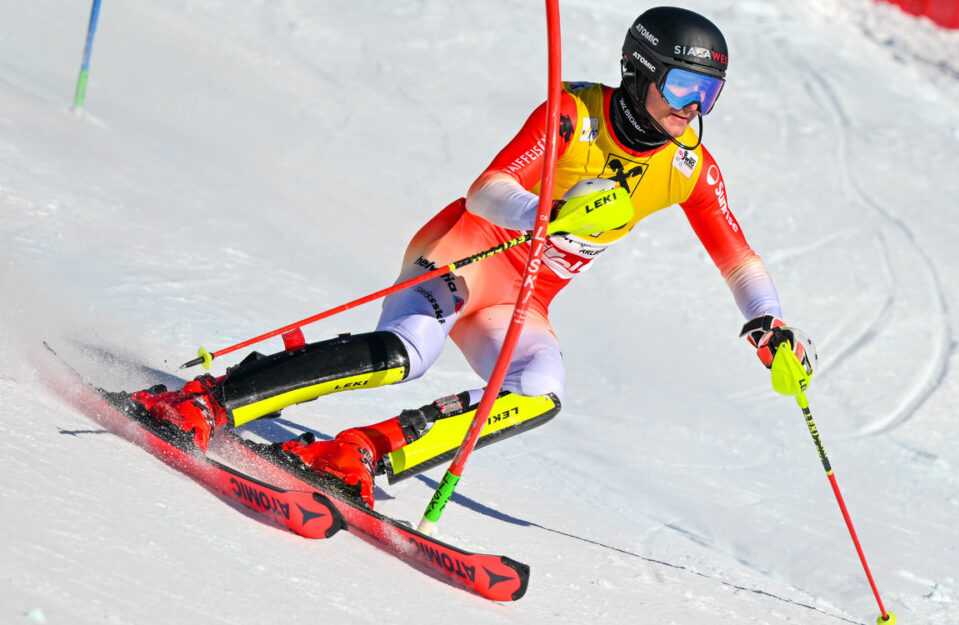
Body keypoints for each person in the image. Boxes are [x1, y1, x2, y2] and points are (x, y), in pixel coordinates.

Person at [130, 6, 816, 509]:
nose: (690, 111)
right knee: (407, 354)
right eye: (681, 88)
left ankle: (362, 452)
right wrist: (542, 214)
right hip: (460, 256)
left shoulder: (688, 166)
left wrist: (768, 324)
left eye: (708, 97)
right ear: (638, 73)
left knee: (539, 389)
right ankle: (207, 400)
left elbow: (738, 258)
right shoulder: (572, 116)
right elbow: (486, 190)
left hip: (521, 300)